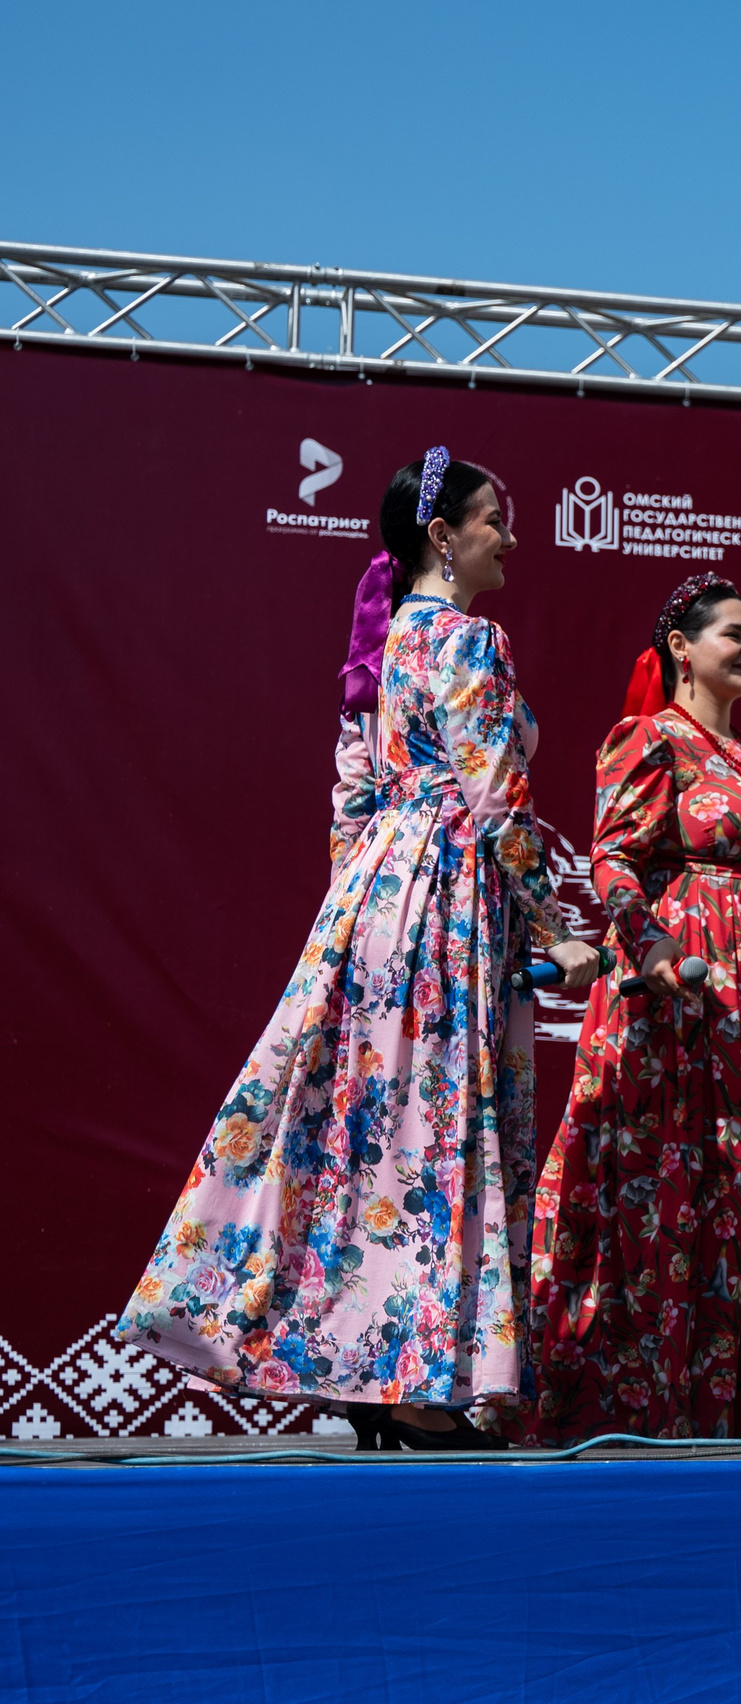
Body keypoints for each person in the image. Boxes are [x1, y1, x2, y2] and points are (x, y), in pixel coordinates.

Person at [115, 449, 600, 1451]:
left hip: (378, 895)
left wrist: (356, 918)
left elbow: (352, 798)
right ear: (443, 536)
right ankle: (409, 1379)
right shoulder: (469, 639)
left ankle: (375, 1366)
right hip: (449, 891)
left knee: (375, 1130)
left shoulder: (381, 647)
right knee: (436, 1128)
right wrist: (557, 929)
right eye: (495, 519)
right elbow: (496, 799)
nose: (510, 538)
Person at [526, 574, 741, 1444]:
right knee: (674, 1180)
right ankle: (642, 1405)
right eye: (733, 634)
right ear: (682, 648)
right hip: (679, 990)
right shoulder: (650, 738)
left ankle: (737, 1409)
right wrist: (649, 946)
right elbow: (613, 859)